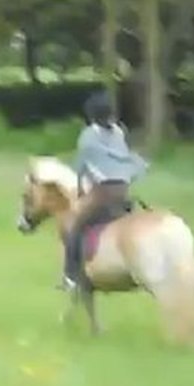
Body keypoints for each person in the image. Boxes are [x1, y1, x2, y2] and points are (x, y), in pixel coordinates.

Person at [61, 90, 148, 291]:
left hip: (103, 193)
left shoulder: (88, 136)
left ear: (91, 115)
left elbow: (81, 167)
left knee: (75, 228)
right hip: (123, 191)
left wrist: (80, 189)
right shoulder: (119, 131)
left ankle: (71, 276)